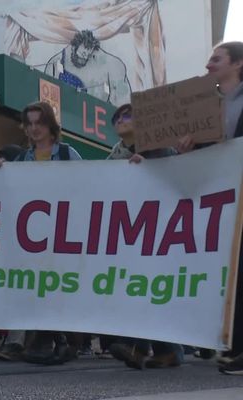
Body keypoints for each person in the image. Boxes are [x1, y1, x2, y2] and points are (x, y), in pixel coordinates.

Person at [0, 101, 81, 365]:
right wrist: (0, 171)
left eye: (39, 122)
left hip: (61, 233)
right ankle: (38, 340)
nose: (34, 128)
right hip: (31, 235)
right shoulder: (22, 159)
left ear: (50, 124)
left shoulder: (66, 154)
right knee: (32, 285)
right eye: (29, 123)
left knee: (52, 286)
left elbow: (88, 186)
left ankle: (54, 339)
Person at [175, 42, 243, 375]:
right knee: (231, 272)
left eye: (217, 58)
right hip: (220, 197)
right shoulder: (202, 106)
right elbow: (202, 154)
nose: (208, 63)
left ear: (238, 64)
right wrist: (188, 148)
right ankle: (233, 346)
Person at [104, 104, 184, 369]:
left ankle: (143, 348)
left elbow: (179, 180)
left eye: (128, 115)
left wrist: (149, 168)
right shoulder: (113, 157)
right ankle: (154, 349)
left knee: (152, 288)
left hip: (160, 230)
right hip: (128, 231)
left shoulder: (162, 149)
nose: (121, 120)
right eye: (117, 117)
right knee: (134, 286)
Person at [44, 30, 131, 105]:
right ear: (74, 47)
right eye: (82, 54)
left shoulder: (108, 64)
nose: (85, 58)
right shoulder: (56, 62)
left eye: (88, 55)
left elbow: (123, 102)